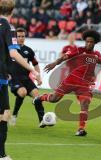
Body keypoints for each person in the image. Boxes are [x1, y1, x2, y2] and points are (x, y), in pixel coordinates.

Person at [33, 30, 101, 136]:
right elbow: (65, 57)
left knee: (85, 104)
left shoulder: (96, 54)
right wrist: (55, 63)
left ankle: (81, 129)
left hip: (85, 84)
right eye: (87, 41)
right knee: (54, 99)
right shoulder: (78, 50)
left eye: (91, 42)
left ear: (95, 42)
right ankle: (39, 98)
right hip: (71, 80)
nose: (88, 44)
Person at [0, 0, 39, 159]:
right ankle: (1, 155)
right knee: (4, 114)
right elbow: (14, 53)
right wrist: (31, 69)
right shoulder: (9, 28)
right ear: (13, 12)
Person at [8, 28, 45, 127]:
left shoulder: (28, 51)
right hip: (14, 79)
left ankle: (42, 120)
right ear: (15, 38)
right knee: (23, 92)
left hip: (26, 79)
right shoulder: (11, 50)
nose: (21, 38)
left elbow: (35, 64)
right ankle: (14, 115)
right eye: (19, 36)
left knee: (37, 95)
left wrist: (38, 76)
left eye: (23, 36)